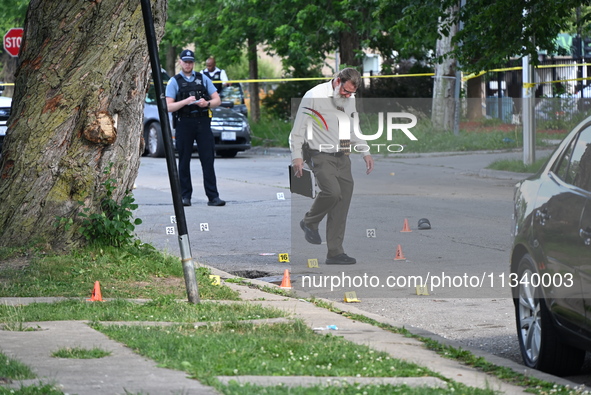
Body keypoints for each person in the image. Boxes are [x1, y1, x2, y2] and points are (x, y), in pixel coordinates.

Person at [289, 68, 374, 265]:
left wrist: (365, 151)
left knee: (342, 203)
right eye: (345, 91)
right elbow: (298, 130)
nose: (348, 96)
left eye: (351, 93)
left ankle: (335, 253)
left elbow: (354, 128)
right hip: (320, 154)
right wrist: (297, 157)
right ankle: (309, 221)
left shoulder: (348, 99)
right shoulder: (314, 96)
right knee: (332, 192)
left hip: (343, 154)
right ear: (337, 82)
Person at [166, 49, 226, 207]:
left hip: (202, 122)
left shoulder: (202, 78)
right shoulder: (175, 81)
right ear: (180, 62)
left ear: (193, 63)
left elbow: (217, 100)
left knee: (208, 160)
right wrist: (186, 101)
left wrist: (206, 103)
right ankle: (185, 197)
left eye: (190, 62)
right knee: (184, 160)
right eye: (185, 62)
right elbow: (168, 106)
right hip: (184, 123)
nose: (188, 64)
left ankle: (213, 197)